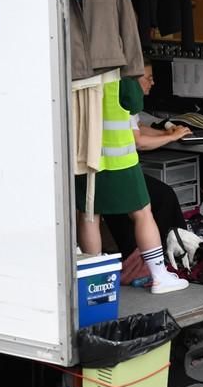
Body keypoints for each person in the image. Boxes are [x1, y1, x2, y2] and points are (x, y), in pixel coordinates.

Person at [75, 67, 189, 295]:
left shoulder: (77, 65)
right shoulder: (119, 71)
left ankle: (95, 282)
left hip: (85, 154)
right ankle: (159, 276)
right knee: (143, 213)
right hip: (119, 157)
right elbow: (134, 103)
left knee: (89, 215)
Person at [102, 58, 193, 258]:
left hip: (114, 169)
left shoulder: (121, 98)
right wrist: (172, 136)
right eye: (148, 78)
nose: (152, 83)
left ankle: (173, 248)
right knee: (163, 197)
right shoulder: (124, 101)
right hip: (118, 171)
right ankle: (176, 251)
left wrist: (167, 134)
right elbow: (139, 141)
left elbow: (140, 127)